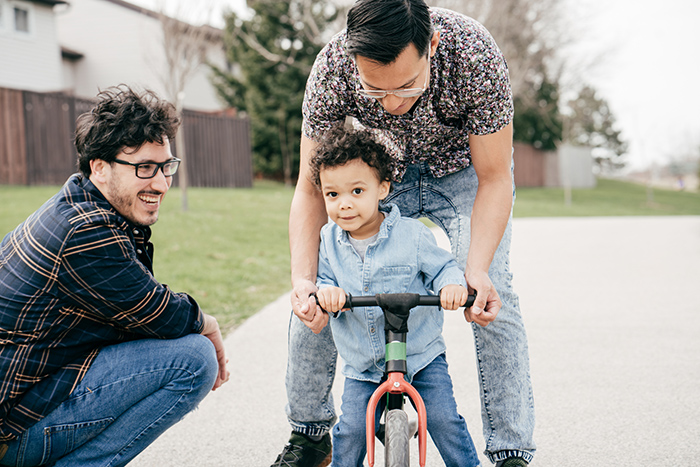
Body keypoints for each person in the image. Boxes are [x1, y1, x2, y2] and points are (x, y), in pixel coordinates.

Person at [273, 0, 535, 466]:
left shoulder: (474, 54)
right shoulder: (333, 67)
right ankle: (309, 434)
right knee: (315, 288)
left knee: (494, 295)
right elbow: (310, 189)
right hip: (378, 177)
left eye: (407, 86)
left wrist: (474, 270)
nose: (392, 104)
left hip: (460, 173)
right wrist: (302, 281)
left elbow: (495, 177)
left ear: (431, 44)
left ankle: (510, 449)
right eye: (375, 92)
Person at [0, 85, 229, 467]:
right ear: (100, 167)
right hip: (12, 429)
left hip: (25, 400)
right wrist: (208, 323)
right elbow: (159, 313)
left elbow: (137, 316)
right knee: (194, 359)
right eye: (144, 168)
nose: (160, 183)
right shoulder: (85, 232)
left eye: (166, 167)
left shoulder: (79, 205)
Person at [309, 125, 481, 467]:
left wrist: (451, 286)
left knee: (446, 421)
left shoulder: (413, 236)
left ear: (382, 188)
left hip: (422, 357)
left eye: (357, 191)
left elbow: (444, 268)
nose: (344, 205)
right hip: (363, 364)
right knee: (352, 431)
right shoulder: (327, 241)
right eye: (333, 195)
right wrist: (326, 292)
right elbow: (323, 278)